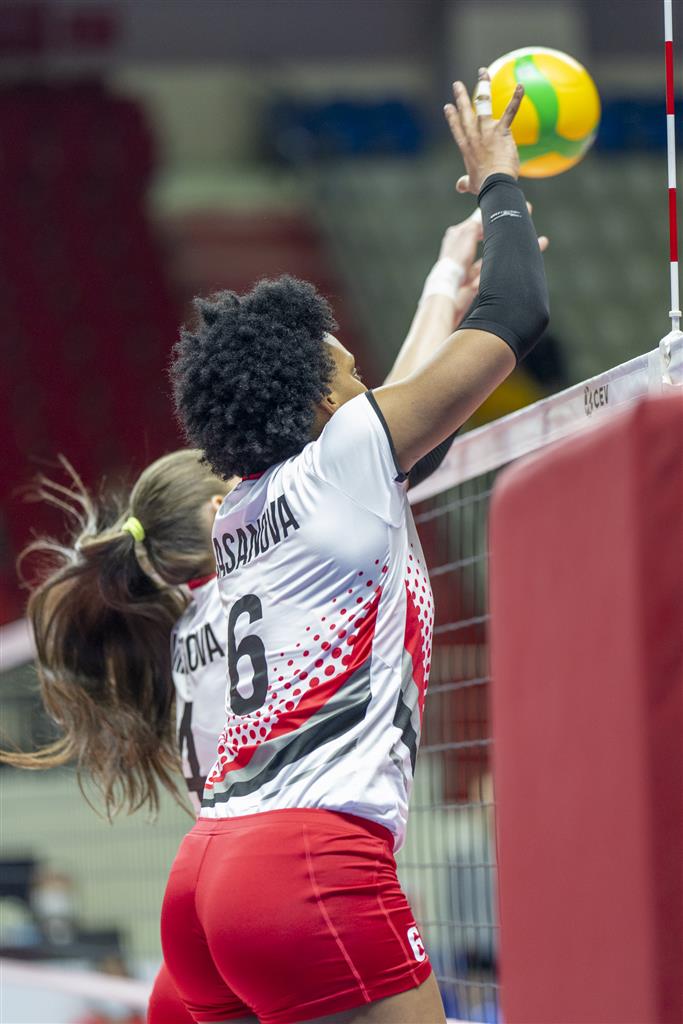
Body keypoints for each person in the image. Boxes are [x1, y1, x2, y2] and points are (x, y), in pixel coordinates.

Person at [3, 200, 494, 1023]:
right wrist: (444, 290)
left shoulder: (190, 618)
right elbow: (375, 432)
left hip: (208, 883)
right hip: (284, 875)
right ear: (213, 517)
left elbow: (376, 426)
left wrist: (442, 290)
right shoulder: (275, 563)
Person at [164, 71, 548, 1024]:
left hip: (207, 873)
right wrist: (499, 186)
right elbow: (515, 317)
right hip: (306, 866)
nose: (365, 375)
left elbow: (404, 416)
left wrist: (440, 282)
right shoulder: (340, 466)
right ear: (320, 405)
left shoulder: (244, 510)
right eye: (346, 367)